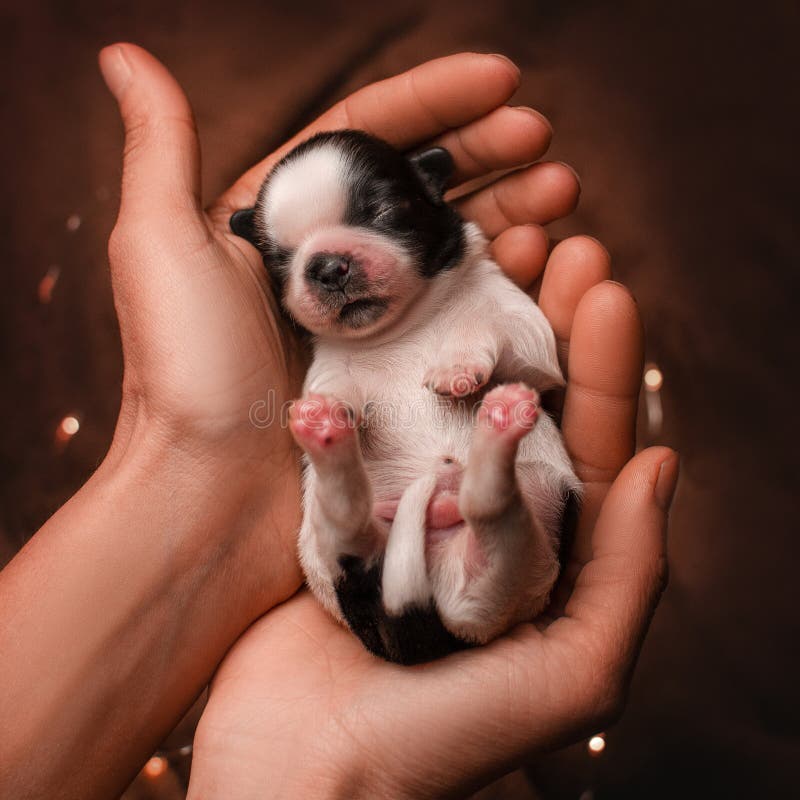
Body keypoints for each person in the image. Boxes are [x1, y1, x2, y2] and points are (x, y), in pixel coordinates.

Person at [0, 43, 678, 799]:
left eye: (374, 217)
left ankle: (486, 499)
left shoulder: (474, 289)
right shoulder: (332, 359)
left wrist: (482, 348)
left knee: (518, 500)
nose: (331, 269)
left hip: (470, 581)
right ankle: (412, 495)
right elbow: (331, 398)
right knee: (331, 518)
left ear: (430, 194)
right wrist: (280, 439)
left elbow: (538, 357)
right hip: (378, 572)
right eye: (292, 261)